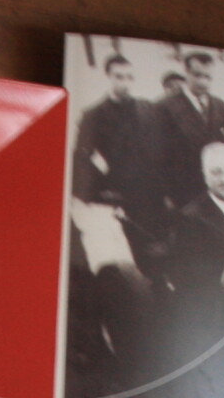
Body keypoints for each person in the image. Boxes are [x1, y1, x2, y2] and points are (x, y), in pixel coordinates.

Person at [160, 142, 224, 398]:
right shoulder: (191, 217)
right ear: (205, 176)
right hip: (213, 307)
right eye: (216, 172)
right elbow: (188, 274)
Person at [71, 48, 167, 268]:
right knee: (130, 254)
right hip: (119, 198)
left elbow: (159, 152)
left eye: (129, 77)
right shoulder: (93, 115)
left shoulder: (147, 109)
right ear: (108, 77)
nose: (125, 83)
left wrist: (163, 191)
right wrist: (102, 193)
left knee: (156, 253)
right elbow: (82, 160)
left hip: (150, 196)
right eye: (119, 77)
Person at [159, 51, 224, 211]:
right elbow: (158, 155)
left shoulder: (220, 106)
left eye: (208, 77)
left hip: (215, 191)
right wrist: (166, 194)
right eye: (197, 75)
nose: (203, 82)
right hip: (182, 192)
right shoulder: (165, 106)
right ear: (186, 73)